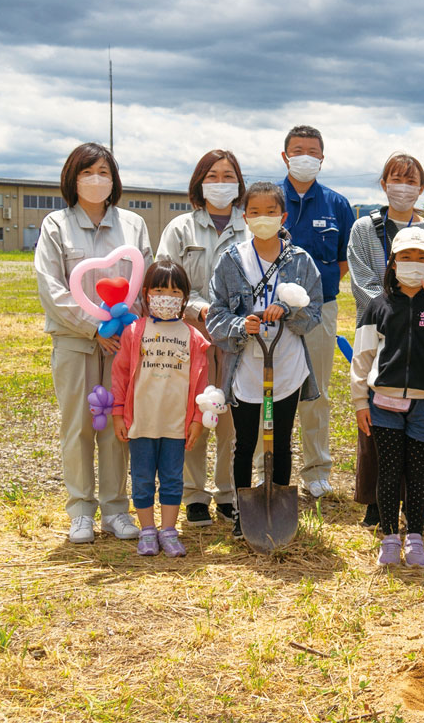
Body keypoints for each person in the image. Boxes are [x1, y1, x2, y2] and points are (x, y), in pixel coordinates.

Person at [34, 142, 152, 544]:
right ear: (73, 178)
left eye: (103, 171)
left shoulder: (133, 225)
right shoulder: (55, 226)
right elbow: (52, 288)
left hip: (122, 346)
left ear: (114, 179)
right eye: (87, 172)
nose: (96, 179)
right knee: (78, 427)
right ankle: (81, 510)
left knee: (118, 425)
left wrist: (122, 331)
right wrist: (95, 328)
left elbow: (144, 283)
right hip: (76, 343)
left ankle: (116, 509)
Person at [206, 181, 324, 539]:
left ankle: (276, 508)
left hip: (286, 364)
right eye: (254, 212)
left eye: (270, 212)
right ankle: (244, 511)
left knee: (281, 439)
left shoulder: (299, 260)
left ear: (283, 216)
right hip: (246, 366)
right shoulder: (231, 261)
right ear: (244, 217)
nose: (262, 219)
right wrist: (243, 324)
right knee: (245, 442)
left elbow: (314, 310)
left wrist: (287, 312)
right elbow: (215, 315)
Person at [350, 228, 424, 567]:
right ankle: (389, 537)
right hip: (383, 402)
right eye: (407, 257)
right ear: (393, 262)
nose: (414, 264)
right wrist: (359, 402)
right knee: (388, 470)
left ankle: (414, 536)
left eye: (422, 258)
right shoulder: (378, 305)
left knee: (418, 471)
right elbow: (362, 356)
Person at [346, 153, 424, 528]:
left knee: (415, 424)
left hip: (421, 329)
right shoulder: (364, 228)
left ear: (421, 187)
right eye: (395, 178)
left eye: (411, 179)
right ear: (384, 184)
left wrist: (417, 304)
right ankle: (377, 501)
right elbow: (360, 280)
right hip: (378, 326)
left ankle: (412, 508)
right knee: (377, 419)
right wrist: (392, 304)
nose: (403, 186)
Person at [157, 149, 250, 528]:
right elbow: (165, 281)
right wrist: (198, 308)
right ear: (199, 183)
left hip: (238, 340)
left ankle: (227, 494)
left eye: (228, 175)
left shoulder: (251, 226)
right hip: (191, 336)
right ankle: (195, 495)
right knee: (193, 413)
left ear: (239, 183)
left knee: (231, 419)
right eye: (212, 175)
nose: (220, 182)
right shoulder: (180, 229)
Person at [277, 125, 356, 499]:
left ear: (322, 158)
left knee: (317, 391)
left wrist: (314, 291)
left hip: (320, 309)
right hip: (273, 313)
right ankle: (268, 469)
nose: (305, 156)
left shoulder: (337, 205)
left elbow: (343, 261)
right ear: (285, 156)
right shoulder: (270, 198)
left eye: (312, 151)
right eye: (298, 150)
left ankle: (317, 470)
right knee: (270, 389)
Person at [111, 259, 210, 557]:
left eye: (174, 290)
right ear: (146, 294)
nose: (166, 296)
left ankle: (169, 530)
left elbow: (201, 382)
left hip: (175, 424)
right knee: (141, 479)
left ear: (184, 297)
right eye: (159, 289)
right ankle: (147, 531)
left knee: (172, 478)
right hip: (141, 422)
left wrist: (196, 419)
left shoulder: (193, 337)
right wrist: (118, 411)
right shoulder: (133, 332)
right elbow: (121, 373)